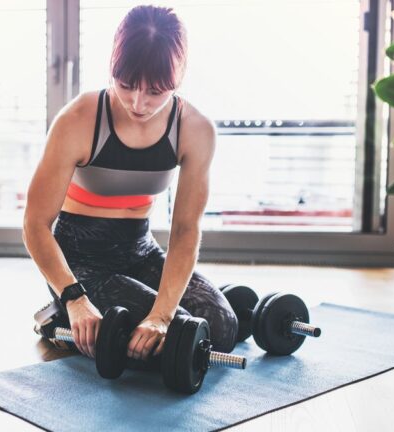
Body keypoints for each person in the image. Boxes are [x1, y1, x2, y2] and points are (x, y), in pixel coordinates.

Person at [22, 5, 237, 363]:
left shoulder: (195, 130)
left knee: (220, 326)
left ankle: (122, 323)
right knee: (179, 336)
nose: (138, 102)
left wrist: (162, 315)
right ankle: (58, 318)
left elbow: (185, 230)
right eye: (126, 85)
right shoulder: (78, 119)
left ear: (178, 77)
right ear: (112, 69)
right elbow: (35, 224)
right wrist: (74, 298)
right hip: (78, 258)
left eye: (155, 91)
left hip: (140, 248)